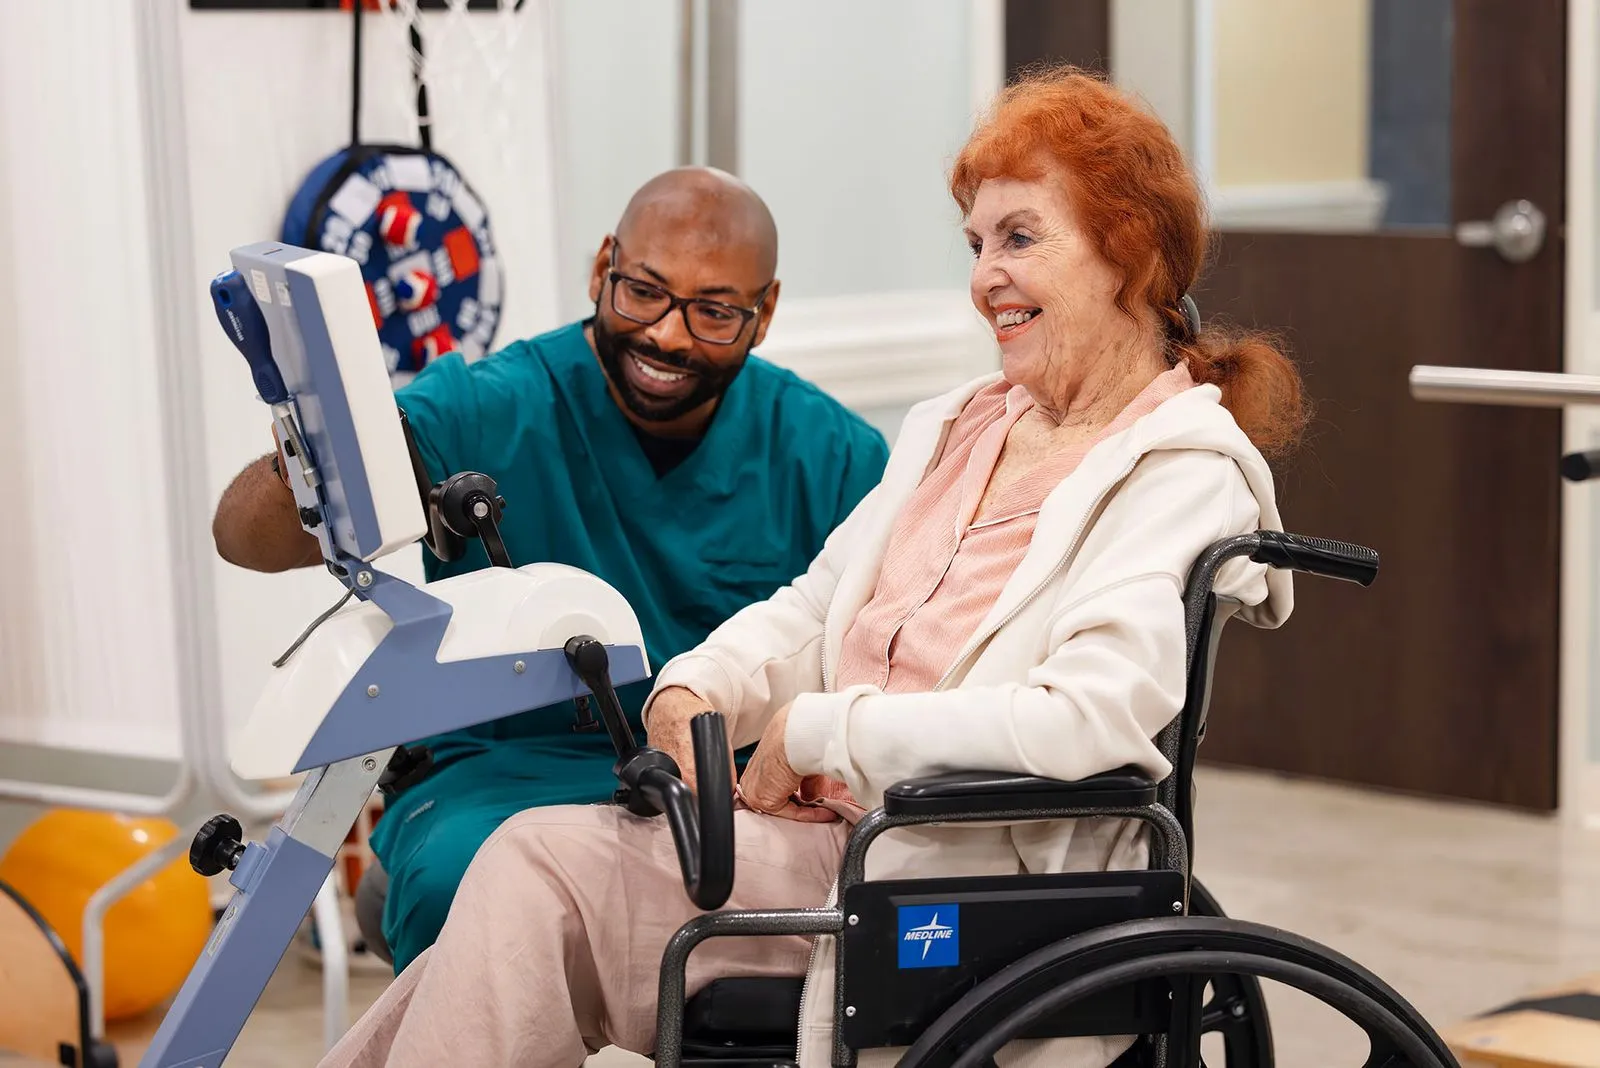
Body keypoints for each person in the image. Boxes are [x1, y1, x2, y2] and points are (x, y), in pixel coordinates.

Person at [316, 65, 1310, 1068]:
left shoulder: (1180, 474)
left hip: (950, 876)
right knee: (522, 880)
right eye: (975, 244)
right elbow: (814, 605)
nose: (982, 280)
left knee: (532, 875)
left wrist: (820, 729)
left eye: (1019, 238)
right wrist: (706, 682)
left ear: (1129, 251)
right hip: (841, 847)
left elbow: (1084, 717)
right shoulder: (963, 427)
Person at [211, 166, 890, 973]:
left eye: (713, 312)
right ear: (604, 264)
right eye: (643, 291)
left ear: (764, 311)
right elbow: (241, 537)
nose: (668, 336)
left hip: (731, 784)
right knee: (463, 885)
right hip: (504, 772)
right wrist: (319, 447)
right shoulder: (493, 405)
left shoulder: (831, 454)